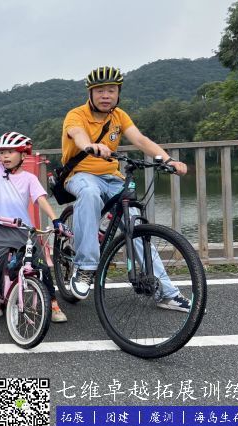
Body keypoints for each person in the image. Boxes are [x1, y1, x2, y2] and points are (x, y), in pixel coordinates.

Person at [62, 66, 190, 311]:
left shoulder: (119, 116)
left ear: (118, 93)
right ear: (90, 93)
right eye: (100, 91)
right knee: (89, 194)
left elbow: (140, 140)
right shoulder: (76, 115)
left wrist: (168, 159)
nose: (106, 95)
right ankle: (85, 267)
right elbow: (77, 134)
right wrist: (89, 146)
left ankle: (166, 293)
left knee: (135, 227)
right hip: (80, 175)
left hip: (111, 177)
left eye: (111, 90)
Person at [0, 101, 69, 324]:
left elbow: (41, 199)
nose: (4, 156)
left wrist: (55, 220)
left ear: (23, 155)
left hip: (23, 231)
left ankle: (53, 304)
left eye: (10, 152)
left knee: (40, 267)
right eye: (2, 153)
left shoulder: (29, 178)